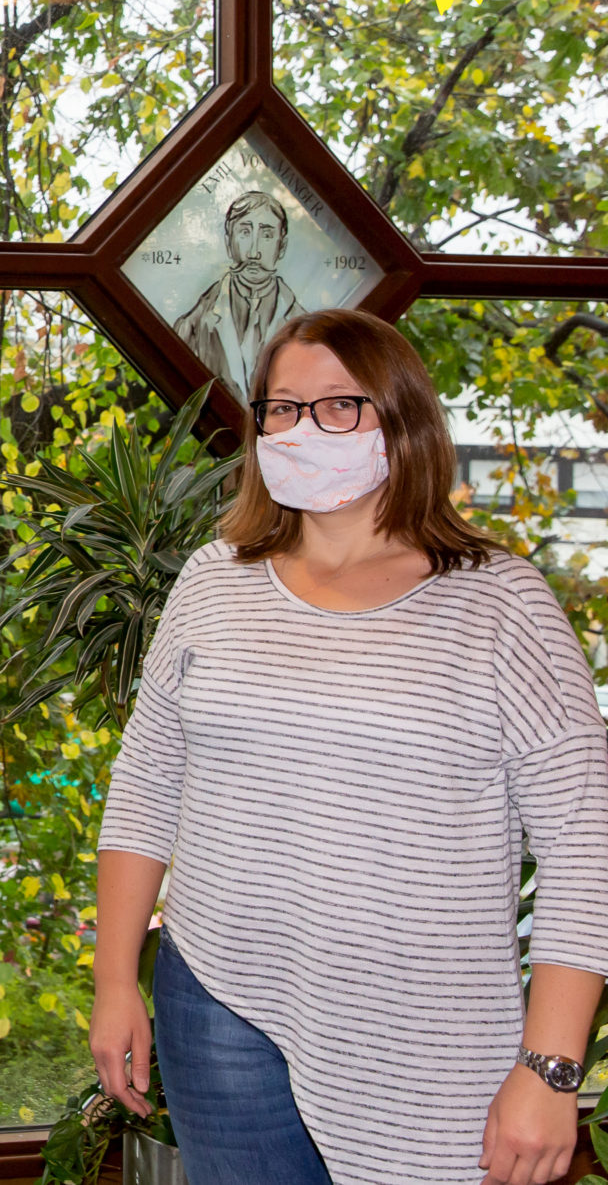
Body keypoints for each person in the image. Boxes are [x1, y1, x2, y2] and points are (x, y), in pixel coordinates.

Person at [93, 308, 608, 1185]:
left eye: (339, 405)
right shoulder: (214, 579)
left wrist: (550, 1067)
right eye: (282, 408)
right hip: (219, 1001)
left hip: (419, 1031)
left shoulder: (500, 606)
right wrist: (113, 984)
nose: (304, 428)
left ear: (402, 421)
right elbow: (147, 778)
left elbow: (586, 839)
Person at [175, 188, 308, 395]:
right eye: (245, 233)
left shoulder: (307, 328)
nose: (254, 252)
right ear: (229, 243)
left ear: (282, 246)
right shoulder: (191, 328)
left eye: (266, 234)